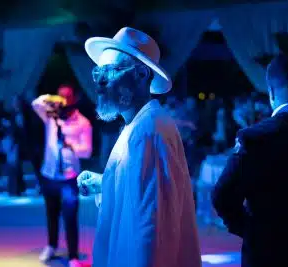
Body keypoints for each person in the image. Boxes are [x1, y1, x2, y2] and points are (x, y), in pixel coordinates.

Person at [77, 27, 201, 267]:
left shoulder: (147, 131)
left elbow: (151, 228)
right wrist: (105, 182)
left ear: (142, 75)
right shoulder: (141, 125)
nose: (100, 82)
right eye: (98, 72)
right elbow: (141, 192)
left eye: (110, 71)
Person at [212, 54, 288, 267]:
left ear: (270, 92)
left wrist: (251, 229)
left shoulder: (255, 138)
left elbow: (222, 196)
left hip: (267, 254)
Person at [32, 85, 92, 267]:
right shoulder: (50, 117)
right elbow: (36, 104)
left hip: (68, 177)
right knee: (51, 213)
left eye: (66, 97)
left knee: (70, 216)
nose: (63, 100)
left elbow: (88, 152)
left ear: (74, 98)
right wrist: (52, 99)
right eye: (60, 97)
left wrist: (72, 146)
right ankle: (51, 246)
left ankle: (73, 256)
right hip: (49, 175)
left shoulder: (83, 123)